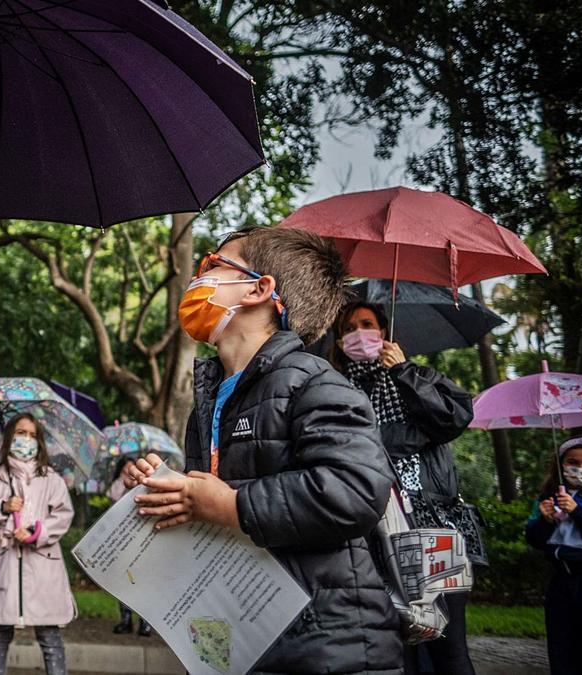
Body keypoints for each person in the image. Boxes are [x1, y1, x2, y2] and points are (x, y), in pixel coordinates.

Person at [125, 227, 402, 674]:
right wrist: (172, 491)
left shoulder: (315, 382)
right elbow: (216, 499)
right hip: (250, 637)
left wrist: (232, 505)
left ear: (259, 288)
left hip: (327, 647)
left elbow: (356, 490)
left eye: (214, 265)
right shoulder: (214, 397)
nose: (200, 275)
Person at [330, 300, 477, 675]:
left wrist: (404, 372)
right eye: (349, 328)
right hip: (371, 537)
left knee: (449, 648)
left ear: (384, 332)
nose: (359, 333)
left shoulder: (419, 379)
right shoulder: (333, 389)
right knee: (395, 647)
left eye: (367, 324)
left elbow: (452, 418)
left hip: (433, 530)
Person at [0, 414, 76, 675]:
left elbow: (63, 516)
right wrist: (2, 508)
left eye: (31, 435)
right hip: (4, 563)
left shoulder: (51, 479)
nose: (25, 440)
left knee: (50, 636)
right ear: (8, 438)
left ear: (39, 441)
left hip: (42, 566)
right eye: (20, 433)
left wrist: (36, 531)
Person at [525, 435, 582, 675]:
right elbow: (535, 540)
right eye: (573, 462)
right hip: (562, 583)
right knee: (566, 654)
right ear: (560, 466)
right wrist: (546, 520)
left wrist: (578, 512)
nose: (580, 469)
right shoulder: (548, 498)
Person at [106, 458, 152, 637]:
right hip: (122, 541)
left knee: (143, 582)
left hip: (142, 540)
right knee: (124, 582)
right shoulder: (116, 486)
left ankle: (145, 622)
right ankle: (126, 619)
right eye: (125, 466)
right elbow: (114, 505)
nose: (128, 469)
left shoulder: (144, 484)